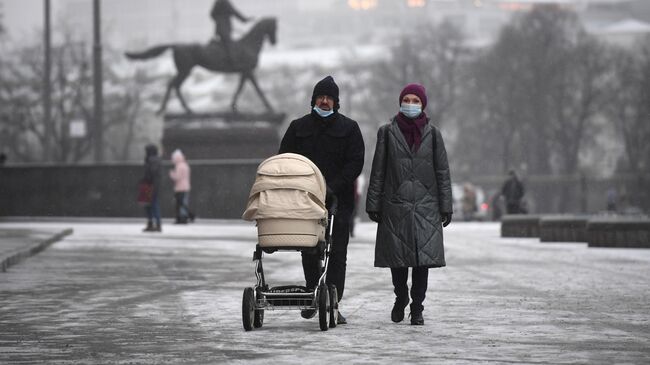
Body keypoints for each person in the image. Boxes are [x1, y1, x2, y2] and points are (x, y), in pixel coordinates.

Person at [279, 75, 365, 324]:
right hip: (305, 199)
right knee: (309, 247)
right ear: (314, 99)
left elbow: (355, 162)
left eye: (329, 98)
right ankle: (313, 294)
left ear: (336, 102)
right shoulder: (298, 127)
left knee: (337, 252)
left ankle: (333, 303)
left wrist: (332, 186)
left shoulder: (350, 128)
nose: (325, 101)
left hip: (339, 200)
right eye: (321, 96)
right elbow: (285, 158)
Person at [366, 83, 453, 326]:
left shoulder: (433, 134)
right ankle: (401, 296)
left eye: (416, 100)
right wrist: (373, 203)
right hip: (396, 205)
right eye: (407, 99)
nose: (411, 104)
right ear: (400, 102)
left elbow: (442, 172)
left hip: (426, 206)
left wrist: (446, 205)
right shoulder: (387, 132)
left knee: (421, 261)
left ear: (423, 104)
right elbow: (378, 170)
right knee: (398, 259)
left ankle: (417, 308)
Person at [210, 0, 250, 65]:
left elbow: (212, 14)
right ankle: (233, 63)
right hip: (225, 28)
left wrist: (219, 21)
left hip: (219, 28)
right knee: (229, 45)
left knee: (224, 44)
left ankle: (226, 60)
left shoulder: (217, 2)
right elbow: (234, 12)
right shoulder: (225, 2)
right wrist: (244, 20)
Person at [169, 149, 195, 224]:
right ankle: (185, 216)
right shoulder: (185, 164)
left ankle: (184, 217)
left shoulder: (179, 166)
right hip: (185, 187)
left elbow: (177, 177)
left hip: (180, 188)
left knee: (179, 204)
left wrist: (172, 174)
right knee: (182, 203)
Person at [142, 144, 162, 232]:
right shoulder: (156, 160)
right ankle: (155, 223)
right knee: (152, 204)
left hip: (150, 185)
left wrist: (146, 179)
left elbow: (151, 173)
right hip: (154, 185)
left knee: (151, 205)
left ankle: (154, 223)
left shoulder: (151, 160)